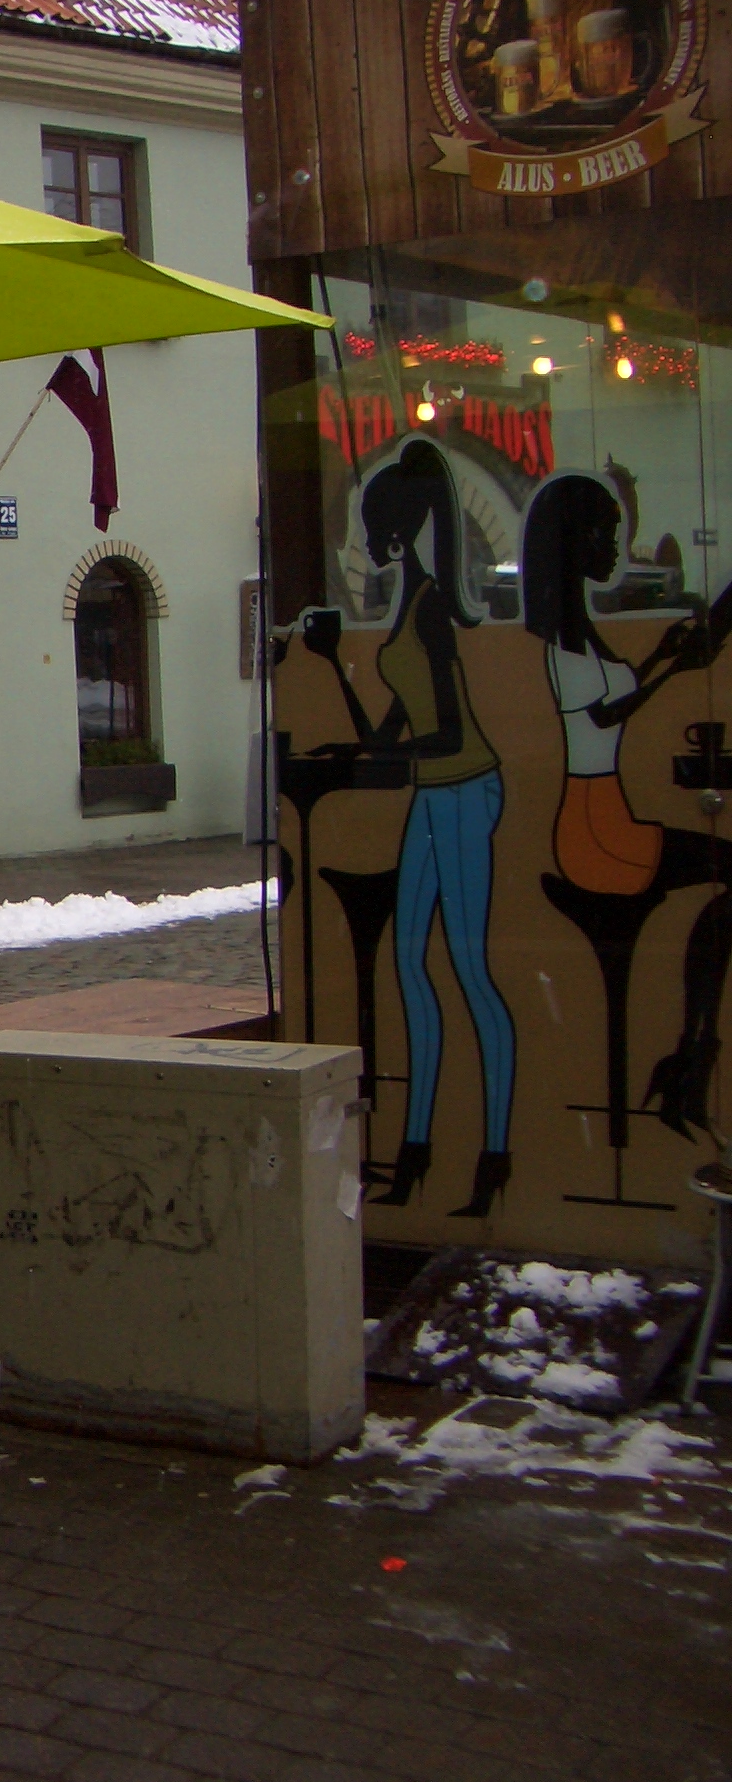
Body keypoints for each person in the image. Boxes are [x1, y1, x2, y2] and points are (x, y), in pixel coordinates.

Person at [301, 439, 516, 1215]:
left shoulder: (430, 613)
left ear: (399, 531)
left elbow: (449, 732)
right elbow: (396, 725)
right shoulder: (411, 604)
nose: (368, 541)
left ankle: (494, 1156)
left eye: (374, 527)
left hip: (463, 791)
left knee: (469, 972)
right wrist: (343, 701)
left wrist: (383, 750)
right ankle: (416, 1151)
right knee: (410, 968)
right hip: (434, 794)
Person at [520, 467, 730, 1137]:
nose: (615, 547)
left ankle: (690, 1056)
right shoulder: (559, 641)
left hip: (606, 815)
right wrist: (671, 670)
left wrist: (666, 656)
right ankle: (689, 1057)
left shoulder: (578, 630)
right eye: (605, 534)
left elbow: (610, 699)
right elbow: (604, 717)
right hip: (595, 829)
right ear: (572, 541)